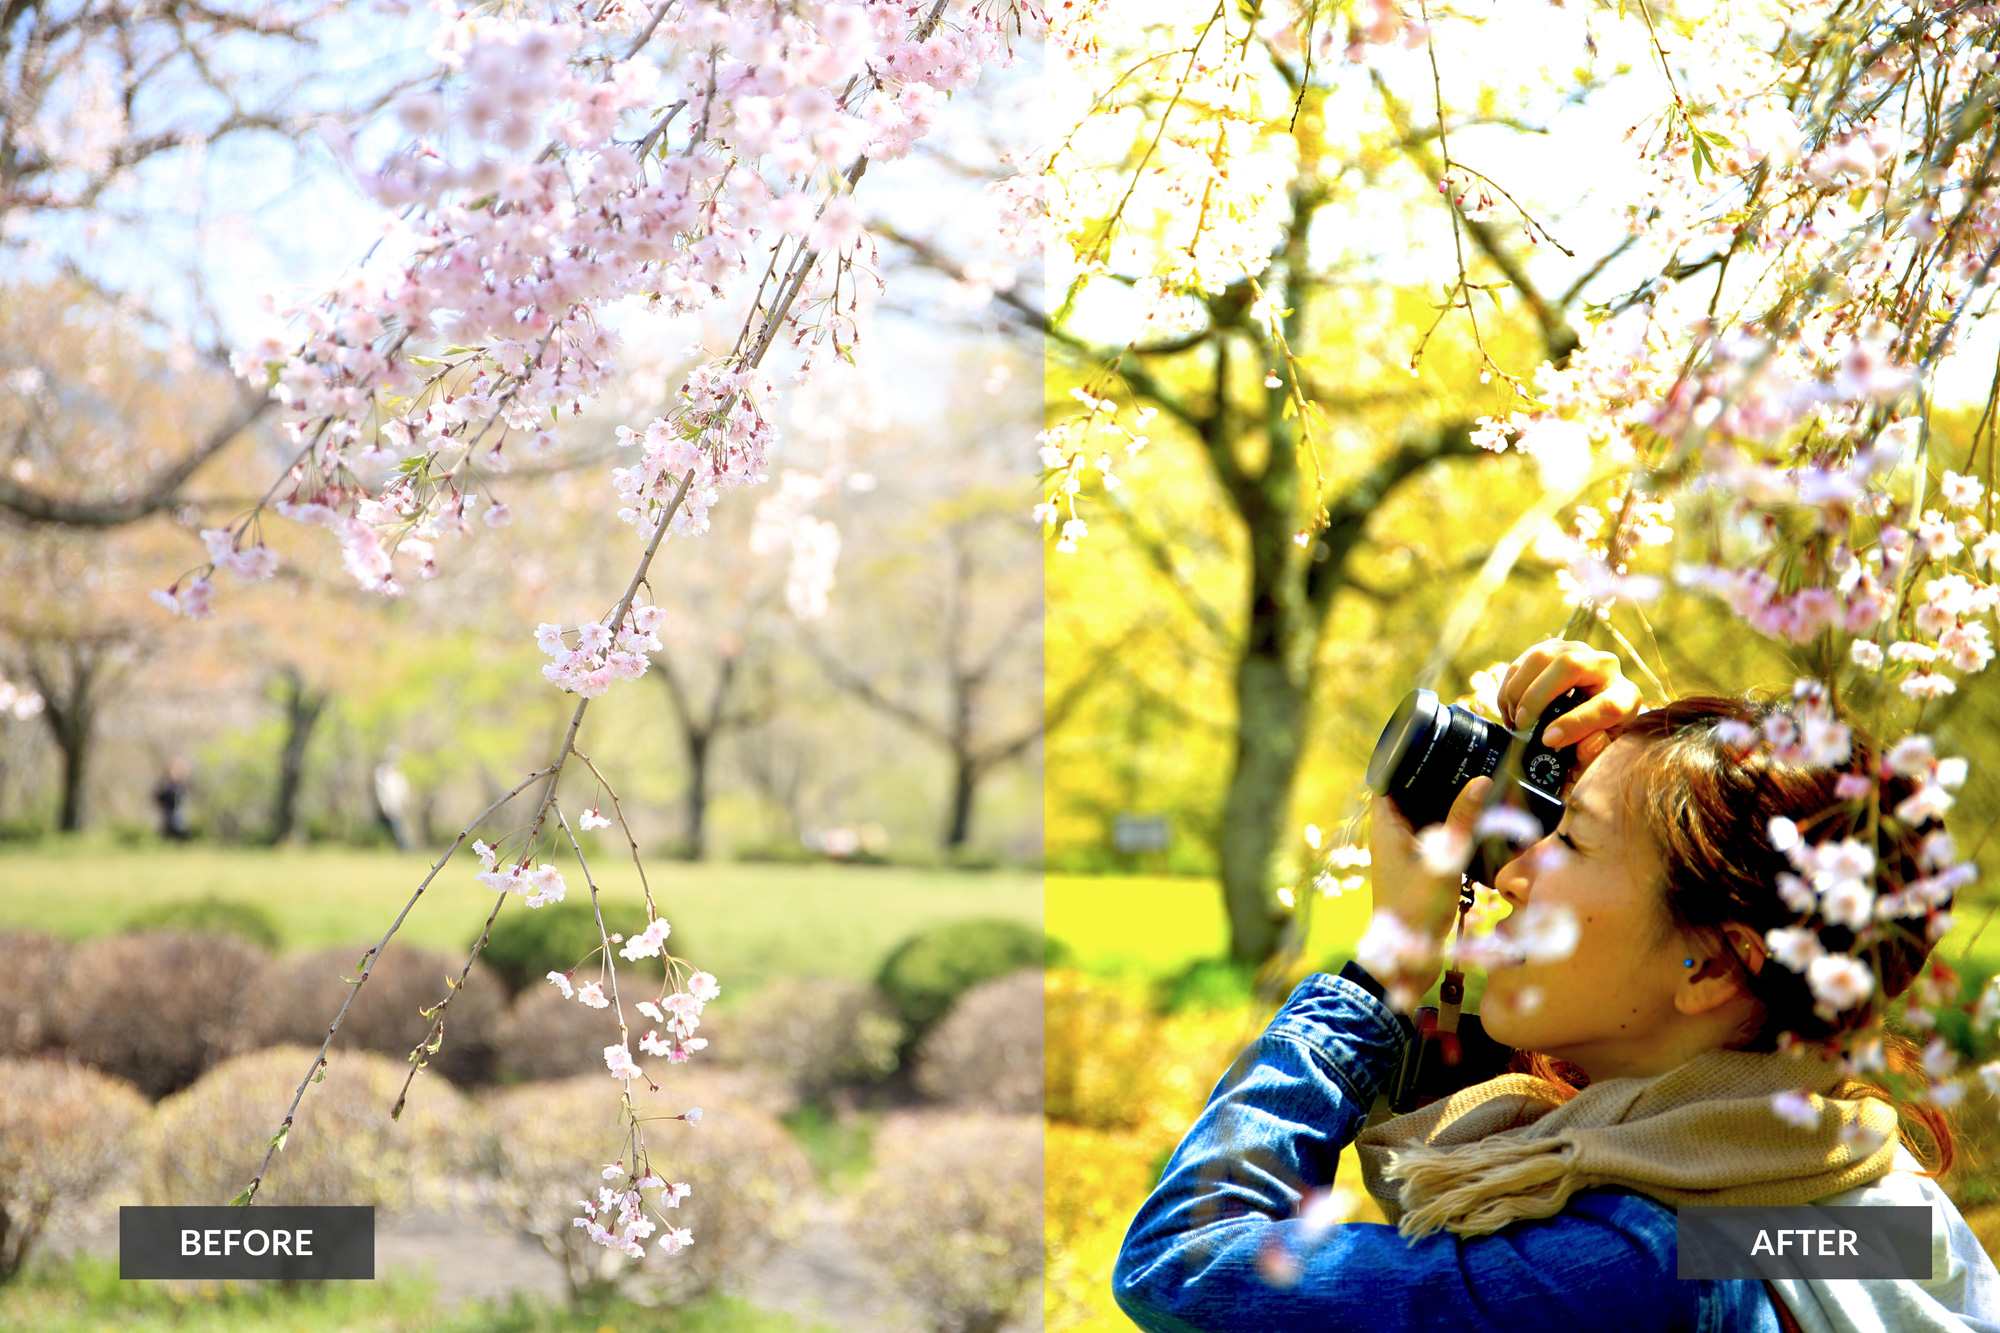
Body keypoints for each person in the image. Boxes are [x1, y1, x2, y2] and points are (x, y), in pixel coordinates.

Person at [1114, 639, 2000, 1333]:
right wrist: (1640, 784)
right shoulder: (1850, 1195)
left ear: (1715, 965)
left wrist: (1380, 974)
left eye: (1568, 840)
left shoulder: (1632, 1275)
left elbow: (1184, 1261)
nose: (1511, 872)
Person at [152, 757, 192, 841]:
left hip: (180, 821)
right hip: (168, 820)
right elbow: (157, 797)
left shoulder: (182, 786)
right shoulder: (166, 785)